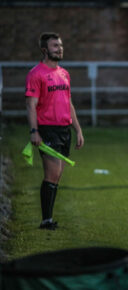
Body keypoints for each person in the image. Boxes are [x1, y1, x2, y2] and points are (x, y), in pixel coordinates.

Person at [25, 32, 84, 230]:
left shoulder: (64, 74)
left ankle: (48, 218)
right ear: (44, 50)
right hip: (47, 130)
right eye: (54, 46)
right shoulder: (36, 74)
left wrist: (78, 129)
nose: (59, 48)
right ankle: (46, 220)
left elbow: (69, 102)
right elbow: (31, 105)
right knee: (52, 174)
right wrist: (34, 131)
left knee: (57, 176)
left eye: (60, 45)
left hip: (64, 130)